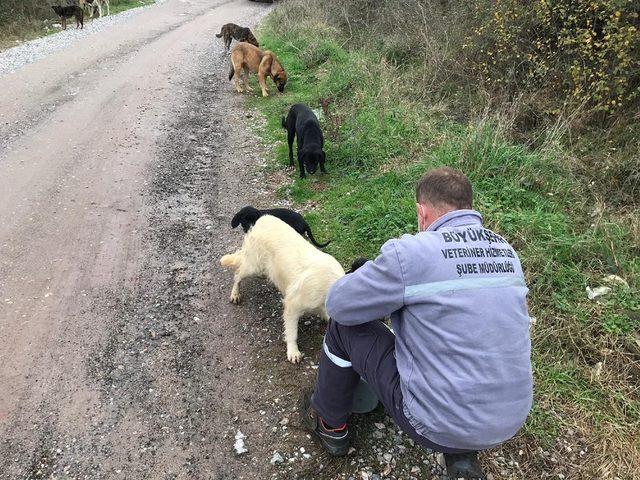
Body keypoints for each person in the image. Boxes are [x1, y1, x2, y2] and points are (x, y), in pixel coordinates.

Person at [301, 167, 533, 475]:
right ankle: (460, 455)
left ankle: (330, 424)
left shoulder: (412, 253)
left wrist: (371, 282)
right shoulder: (506, 253)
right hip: (509, 418)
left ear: (421, 212)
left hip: (434, 422)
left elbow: (339, 305)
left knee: (342, 328)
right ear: (468, 207)